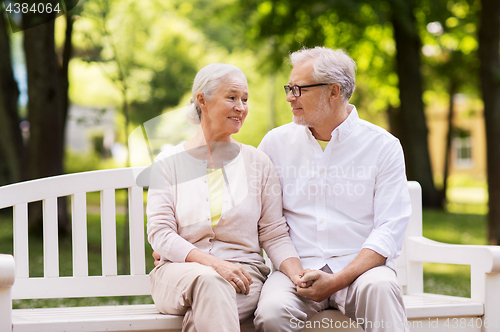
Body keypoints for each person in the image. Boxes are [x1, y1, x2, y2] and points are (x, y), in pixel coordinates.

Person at [253, 47, 412, 332]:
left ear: (334, 91)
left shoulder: (383, 146)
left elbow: (389, 228)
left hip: (361, 270)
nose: (290, 97)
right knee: (271, 313)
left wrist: (338, 280)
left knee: (382, 289)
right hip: (294, 271)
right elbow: (252, 213)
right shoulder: (274, 144)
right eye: (289, 88)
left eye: (299, 89)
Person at [147, 63, 305, 332]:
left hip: (244, 277)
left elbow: (274, 234)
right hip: (178, 274)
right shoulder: (168, 163)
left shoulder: (258, 163)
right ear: (202, 100)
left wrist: (298, 276)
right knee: (211, 281)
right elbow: (160, 233)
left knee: (209, 306)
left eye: (245, 99)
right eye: (231, 97)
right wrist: (215, 265)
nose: (241, 107)